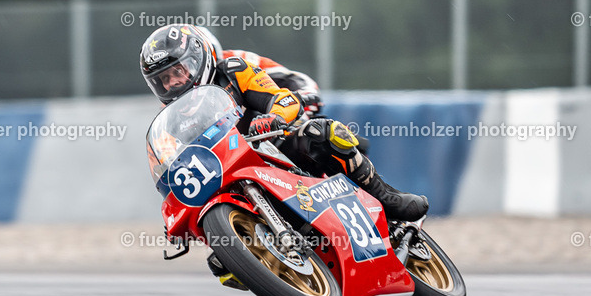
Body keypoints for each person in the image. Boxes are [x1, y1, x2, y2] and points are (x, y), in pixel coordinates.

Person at [140, 23, 427, 222]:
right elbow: (173, 172)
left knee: (322, 132)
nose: (172, 82)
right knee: (221, 265)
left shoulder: (234, 68)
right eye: (163, 79)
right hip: (230, 176)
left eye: (177, 71)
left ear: (196, 59)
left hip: (273, 147)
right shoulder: (170, 124)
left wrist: (275, 117)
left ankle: (385, 196)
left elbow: (283, 97)